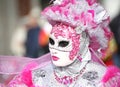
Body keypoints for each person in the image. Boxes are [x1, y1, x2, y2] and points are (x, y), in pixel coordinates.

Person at [0, 0, 120, 87]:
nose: (54, 49)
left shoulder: (102, 79)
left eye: (63, 43)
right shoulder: (38, 76)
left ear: (82, 44)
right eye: (51, 42)